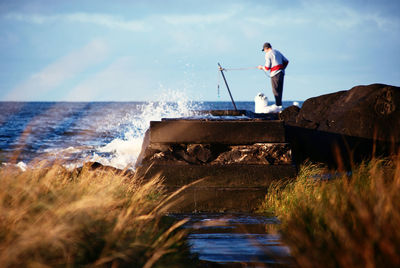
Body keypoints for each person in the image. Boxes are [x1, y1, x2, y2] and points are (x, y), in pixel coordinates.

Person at [257, 42, 289, 108]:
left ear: (266, 48)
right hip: (281, 73)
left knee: (275, 91)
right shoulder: (277, 52)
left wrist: (261, 67)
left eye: (264, 50)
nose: (265, 52)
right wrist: (282, 68)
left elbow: (267, 68)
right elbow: (286, 61)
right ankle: (279, 106)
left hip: (275, 74)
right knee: (280, 91)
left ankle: (278, 106)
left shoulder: (268, 54)